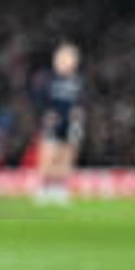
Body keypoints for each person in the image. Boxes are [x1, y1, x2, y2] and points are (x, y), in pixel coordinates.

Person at [32, 43, 84, 205]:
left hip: (72, 123)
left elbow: (82, 102)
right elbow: (40, 100)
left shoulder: (78, 81)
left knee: (67, 156)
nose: (67, 61)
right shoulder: (49, 79)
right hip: (52, 122)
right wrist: (45, 114)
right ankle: (44, 187)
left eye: (71, 58)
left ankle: (60, 188)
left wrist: (78, 117)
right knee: (48, 154)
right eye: (63, 58)